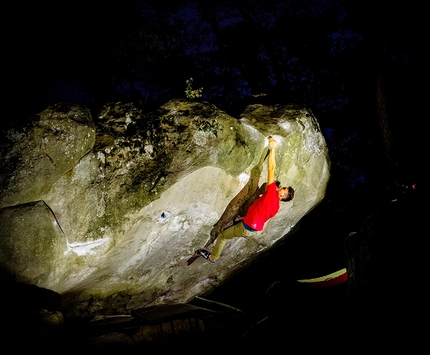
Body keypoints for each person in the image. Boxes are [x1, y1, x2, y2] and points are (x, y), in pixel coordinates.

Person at [201, 136, 295, 263]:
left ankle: (213, 257)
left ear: (283, 196)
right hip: (254, 228)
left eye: (284, 189)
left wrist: (272, 148)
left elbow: (271, 167)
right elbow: (260, 213)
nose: (282, 186)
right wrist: (244, 218)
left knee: (222, 236)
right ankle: (240, 221)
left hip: (247, 227)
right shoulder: (276, 208)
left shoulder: (272, 192)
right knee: (243, 219)